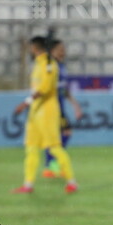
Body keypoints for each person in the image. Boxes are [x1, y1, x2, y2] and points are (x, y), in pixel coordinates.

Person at [13, 36, 78, 194]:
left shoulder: (49, 64)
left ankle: (71, 182)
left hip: (48, 112)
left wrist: (26, 102)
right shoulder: (39, 63)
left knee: (55, 147)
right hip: (36, 112)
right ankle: (28, 185)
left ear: (34, 47)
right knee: (32, 148)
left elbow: (45, 88)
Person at [41, 40, 84, 179]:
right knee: (56, 136)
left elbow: (64, 90)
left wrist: (75, 105)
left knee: (63, 133)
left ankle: (52, 165)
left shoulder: (61, 67)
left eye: (63, 49)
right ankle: (51, 166)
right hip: (51, 107)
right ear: (52, 51)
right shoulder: (49, 67)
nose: (63, 52)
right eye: (60, 49)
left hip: (59, 107)